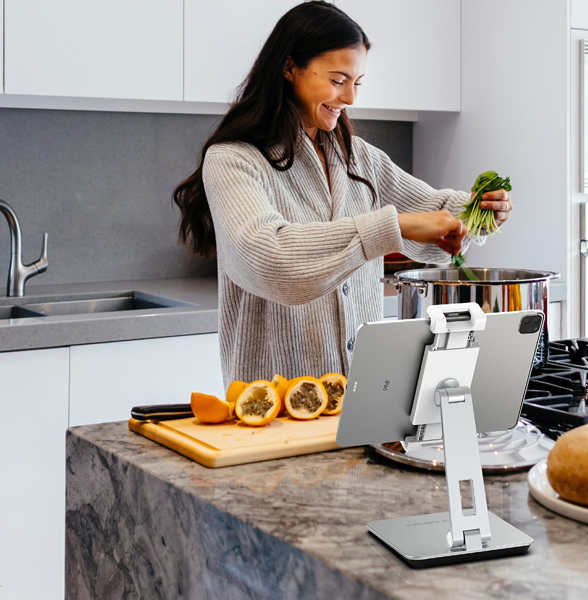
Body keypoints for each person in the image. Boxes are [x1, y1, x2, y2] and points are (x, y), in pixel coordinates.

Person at [173, 1, 513, 387]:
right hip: (274, 404)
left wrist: (478, 211)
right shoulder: (234, 160)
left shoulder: (359, 157)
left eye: (357, 82)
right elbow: (269, 259)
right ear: (289, 68)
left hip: (365, 394)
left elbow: (433, 211)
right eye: (338, 80)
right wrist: (391, 227)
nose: (350, 98)